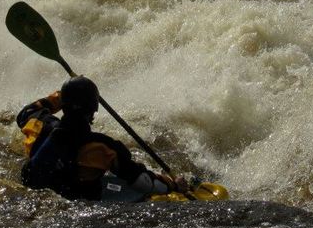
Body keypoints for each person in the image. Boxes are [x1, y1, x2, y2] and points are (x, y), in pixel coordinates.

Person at [17, 76, 187, 201]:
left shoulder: (39, 124)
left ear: (64, 105)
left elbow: (26, 112)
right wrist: (172, 185)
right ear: (92, 109)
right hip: (77, 201)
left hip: (32, 188)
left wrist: (63, 95)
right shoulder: (102, 146)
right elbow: (141, 183)